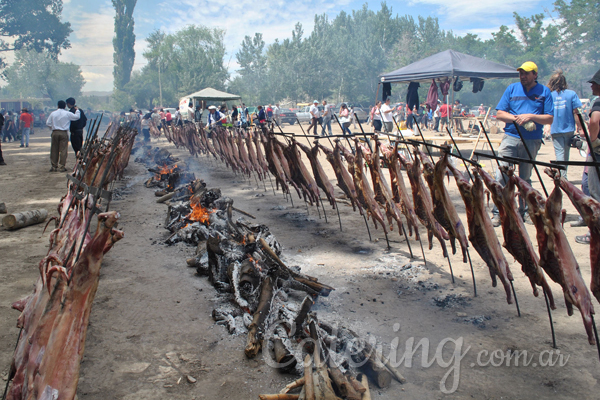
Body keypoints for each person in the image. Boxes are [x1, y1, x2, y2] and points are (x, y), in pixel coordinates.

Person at [491, 61, 554, 226]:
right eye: (521, 73)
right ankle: (499, 212)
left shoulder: (544, 92)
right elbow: (499, 113)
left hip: (531, 140)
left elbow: (549, 117)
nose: (523, 76)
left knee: (524, 178)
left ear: (535, 74)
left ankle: (525, 212)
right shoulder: (512, 89)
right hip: (510, 137)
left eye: (526, 73)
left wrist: (531, 117)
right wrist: (517, 119)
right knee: (502, 176)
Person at [575, 67, 600, 244]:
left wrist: (591, 139)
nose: (591, 87)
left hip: (598, 153)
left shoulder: (598, 102)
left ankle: (595, 233)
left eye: (594, 83)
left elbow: (595, 120)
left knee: (595, 193)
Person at [547, 70, 582, 178]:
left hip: (555, 128)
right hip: (568, 128)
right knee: (566, 154)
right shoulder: (571, 94)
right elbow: (576, 113)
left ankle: (562, 176)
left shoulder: (549, 95)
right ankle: (563, 175)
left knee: (559, 154)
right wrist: (580, 127)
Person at [46, 100, 81, 172]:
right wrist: (77, 110)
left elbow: (48, 123)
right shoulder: (67, 113)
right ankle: (62, 166)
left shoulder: (53, 113)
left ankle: (54, 166)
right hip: (63, 133)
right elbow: (77, 117)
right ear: (65, 106)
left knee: (54, 149)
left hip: (55, 132)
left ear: (58, 106)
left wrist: (52, 127)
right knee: (63, 150)